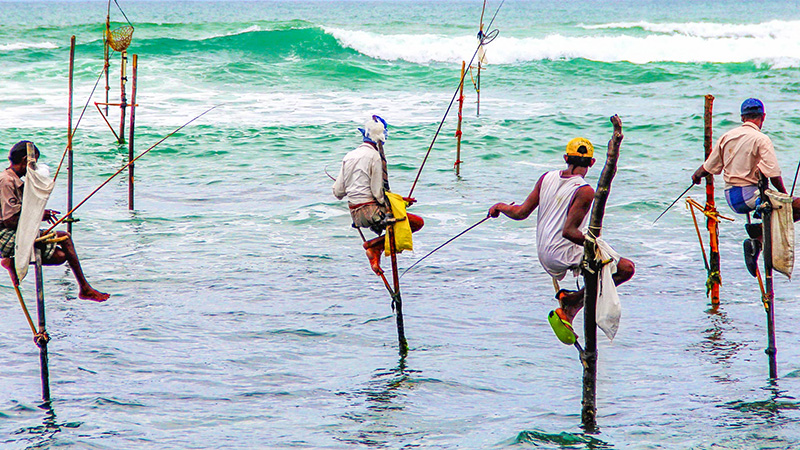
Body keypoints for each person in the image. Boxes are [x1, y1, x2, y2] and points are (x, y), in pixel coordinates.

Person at [488, 136, 634, 328]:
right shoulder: (585, 191)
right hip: (562, 253)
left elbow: (521, 213)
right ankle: (574, 303)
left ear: (566, 158)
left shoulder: (546, 178)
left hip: (543, 253)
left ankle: (574, 300)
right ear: (592, 162)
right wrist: (595, 244)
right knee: (626, 269)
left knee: (600, 265)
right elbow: (569, 232)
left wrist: (500, 206)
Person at [0, 141, 109, 302]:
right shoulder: (6, 181)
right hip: (5, 235)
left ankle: (85, 288)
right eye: (33, 163)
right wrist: (37, 215)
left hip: (17, 231)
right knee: (62, 247)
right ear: (25, 160)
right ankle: (11, 260)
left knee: (62, 249)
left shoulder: (15, 180)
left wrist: (38, 213)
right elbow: (9, 221)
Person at [332, 116, 423, 275]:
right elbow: (377, 194)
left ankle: (376, 253)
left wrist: (399, 201)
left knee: (399, 221)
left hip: (356, 215)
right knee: (416, 222)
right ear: (381, 139)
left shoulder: (349, 156)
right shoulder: (374, 156)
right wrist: (398, 203)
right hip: (372, 213)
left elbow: (338, 192)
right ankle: (375, 246)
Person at [691, 98, 800, 221]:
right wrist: (784, 195)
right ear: (763, 117)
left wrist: (696, 177)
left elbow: (707, 168)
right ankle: (760, 230)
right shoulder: (761, 139)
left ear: (742, 118)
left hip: (731, 198)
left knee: (770, 201)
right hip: (748, 197)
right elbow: (773, 174)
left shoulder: (726, 137)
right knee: (796, 205)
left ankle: (760, 236)